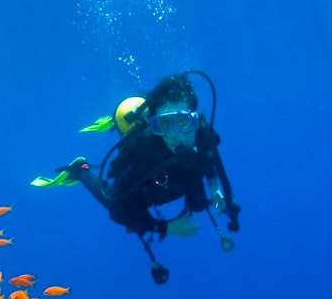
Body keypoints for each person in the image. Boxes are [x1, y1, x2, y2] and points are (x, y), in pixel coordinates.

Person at [33, 71, 241, 283]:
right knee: (111, 198)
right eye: (165, 124)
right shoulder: (144, 155)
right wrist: (166, 227)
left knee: (197, 203)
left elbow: (209, 160)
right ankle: (79, 170)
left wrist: (215, 187)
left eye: (183, 122)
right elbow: (117, 213)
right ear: (154, 125)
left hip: (180, 182)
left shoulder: (202, 134)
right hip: (149, 189)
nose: (177, 134)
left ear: (195, 120)